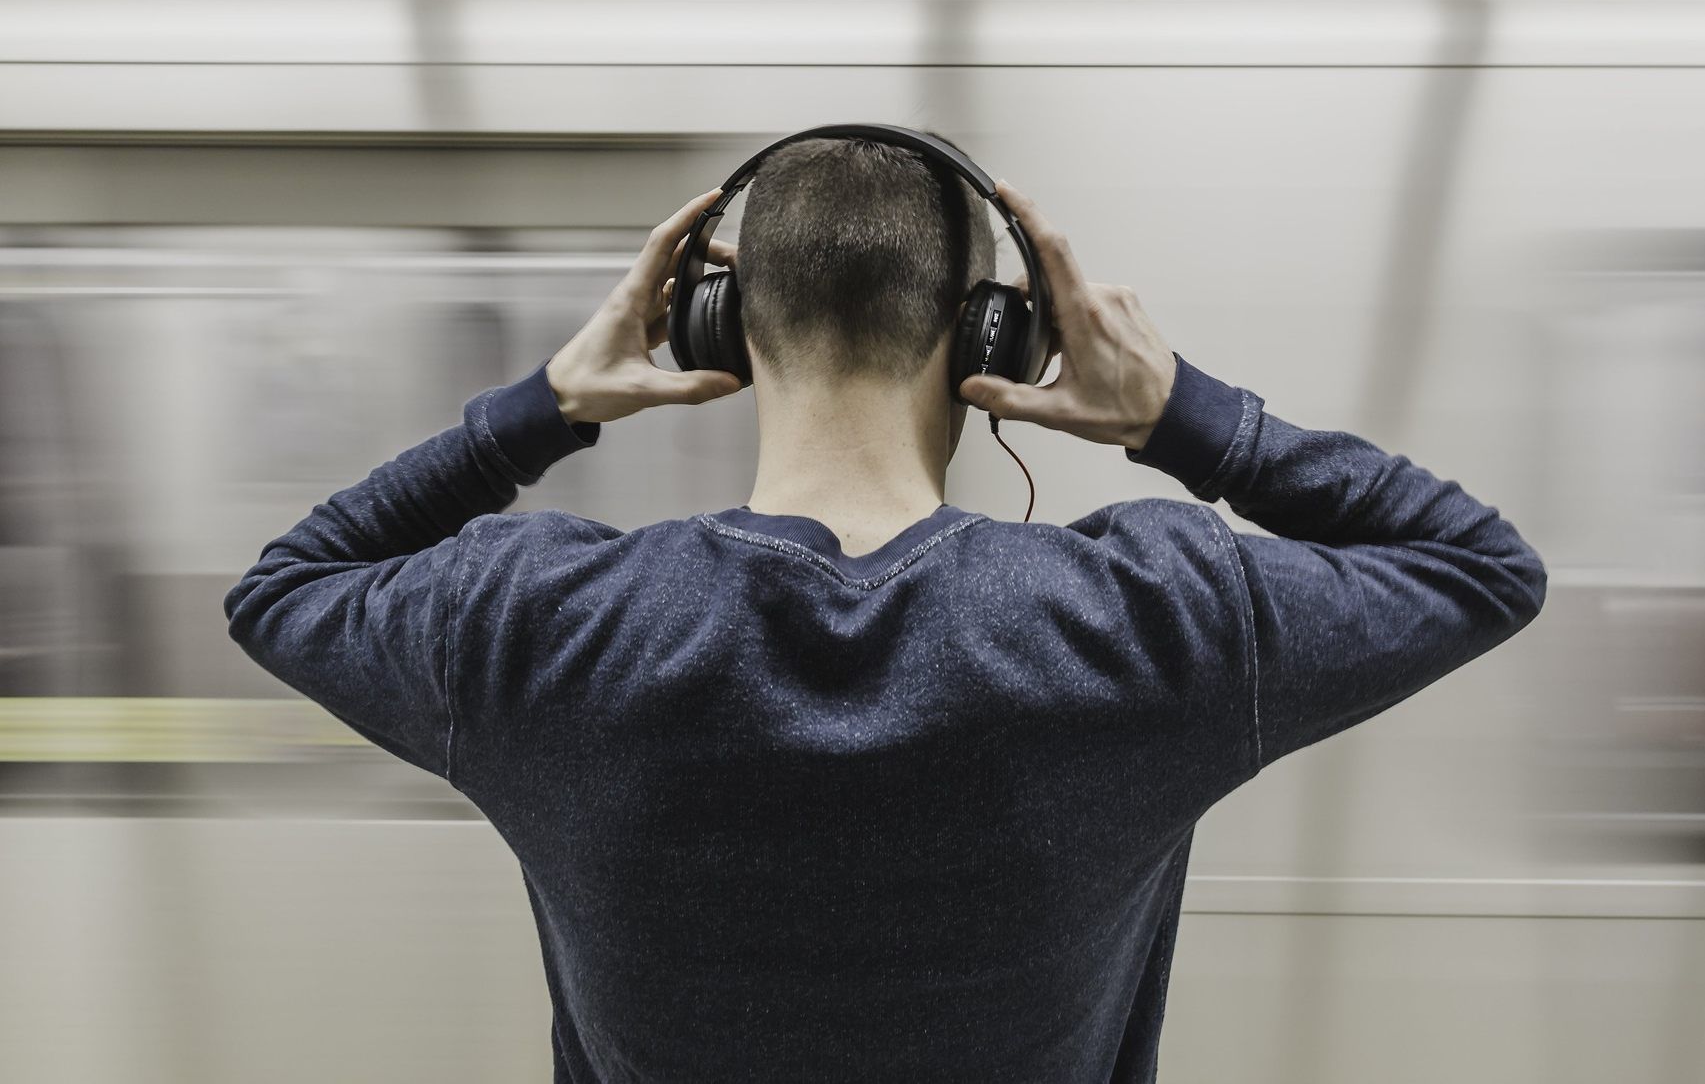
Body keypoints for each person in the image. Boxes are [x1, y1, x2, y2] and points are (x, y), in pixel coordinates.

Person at [223, 134, 1547, 1083]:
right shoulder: (1149, 617)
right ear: (992, 340)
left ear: (720, 327)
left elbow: (284, 588)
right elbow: (1477, 566)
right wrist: (1182, 417)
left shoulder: (538, 622)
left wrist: (544, 407)